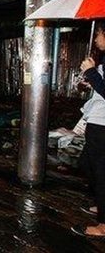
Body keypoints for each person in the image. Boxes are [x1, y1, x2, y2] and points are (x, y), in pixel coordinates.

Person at [72, 21, 105, 238]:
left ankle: (103, 225)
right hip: (97, 120)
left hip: (103, 124)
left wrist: (92, 72)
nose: (96, 39)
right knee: (88, 165)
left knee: (102, 173)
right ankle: (101, 205)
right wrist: (90, 81)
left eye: (99, 34)